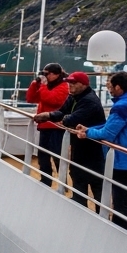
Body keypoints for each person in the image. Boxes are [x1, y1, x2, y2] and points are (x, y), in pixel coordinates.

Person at [78, 71, 127, 237]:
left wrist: (87, 133)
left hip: (125, 163)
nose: (109, 90)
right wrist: (91, 129)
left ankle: (126, 243)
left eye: (110, 87)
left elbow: (107, 134)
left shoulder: (121, 107)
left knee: (122, 208)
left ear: (118, 87)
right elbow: (115, 127)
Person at [37, 72, 106, 208]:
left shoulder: (90, 101)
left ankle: (101, 216)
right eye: (69, 82)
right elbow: (63, 112)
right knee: (77, 175)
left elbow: (71, 119)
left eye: (73, 83)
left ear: (84, 84)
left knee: (95, 182)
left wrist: (57, 117)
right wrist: (49, 115)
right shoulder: (74, 97)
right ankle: (80, 208)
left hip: (92, 149)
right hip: (79, 146)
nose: (70, 85)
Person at [27, 63, 70, 186]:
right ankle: (46, 180)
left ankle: (62, 182)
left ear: (56, 74)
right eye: (43, 73)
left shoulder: (63, 86)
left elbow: (53, 100)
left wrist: (44, 86)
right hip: (45, 126)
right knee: (42, 155)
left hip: (57, 126)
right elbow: (31, 98)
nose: (44, 76)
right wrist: (35, 84)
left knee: (57, 155)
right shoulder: (45, 86)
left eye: (47, 74)